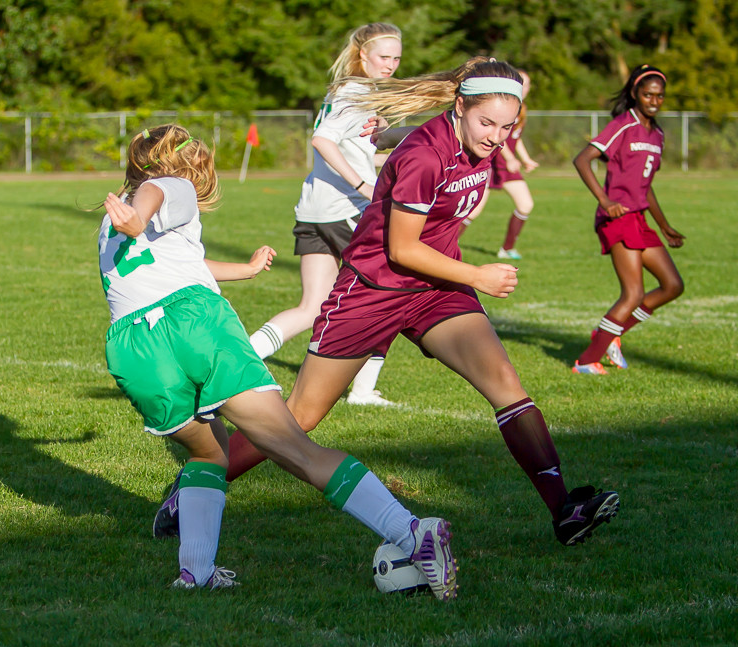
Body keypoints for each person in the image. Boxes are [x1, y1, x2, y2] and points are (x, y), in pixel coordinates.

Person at [157, 59, 620, 549]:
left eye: (508, 127)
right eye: (487, 124)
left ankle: (564, 509)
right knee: (300, 417)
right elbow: (401, 249)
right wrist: (478, 275)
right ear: (460, 107)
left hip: (434, 290)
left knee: (506, 384)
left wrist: (462, 272)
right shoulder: (424, 153)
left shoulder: (483, 147)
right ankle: (190, 491)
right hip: (373, 291)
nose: (496, 137)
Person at [100, 124, 457, 599]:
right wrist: (140, 215)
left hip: (134, 347)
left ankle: (196, 573)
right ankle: (412, 532)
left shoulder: (110, 220)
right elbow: (157, 193)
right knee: (294, 447)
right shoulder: (169, 186)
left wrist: (242, 269)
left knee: (208, 453)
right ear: (189, 163)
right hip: (194, 325)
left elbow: (169, 258)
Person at [248, 23, 403, 407]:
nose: (391, 64)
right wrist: (363, 186)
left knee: (313, 306)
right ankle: (362, 391)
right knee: (388, 296)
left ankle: (242, 362)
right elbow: (322, 140)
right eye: (384, 56)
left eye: (397, 57)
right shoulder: (356, 91)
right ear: (362, 54)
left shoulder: (348, 90)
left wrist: (384, 136)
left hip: (314, 208)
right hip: (345, 211)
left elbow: (349, 146)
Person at [571, 64, 685, 374]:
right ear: (635, 93)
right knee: (633, 293)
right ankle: (586, 361)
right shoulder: (623, 124)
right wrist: (605, 201)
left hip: (639, 219)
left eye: (659, 96)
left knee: (672, 285)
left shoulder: (658, 133)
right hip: (616, 218)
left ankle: (611, 334)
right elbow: (582, 159)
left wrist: (664, 226)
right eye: (647, 94)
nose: (654, 101)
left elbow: (645, 187)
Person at [484, 70, 539, 260]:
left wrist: (525, 159)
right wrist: (509, 158)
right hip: (492, 163)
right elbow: (500, 137)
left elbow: (516, 138)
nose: (525, 88)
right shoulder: (503, 106)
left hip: (507, 167)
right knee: (471, 211)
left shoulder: (521, 107)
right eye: (521, 83)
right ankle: (442, 248)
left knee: (525, 204)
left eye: (528, 85)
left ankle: (506, 249)